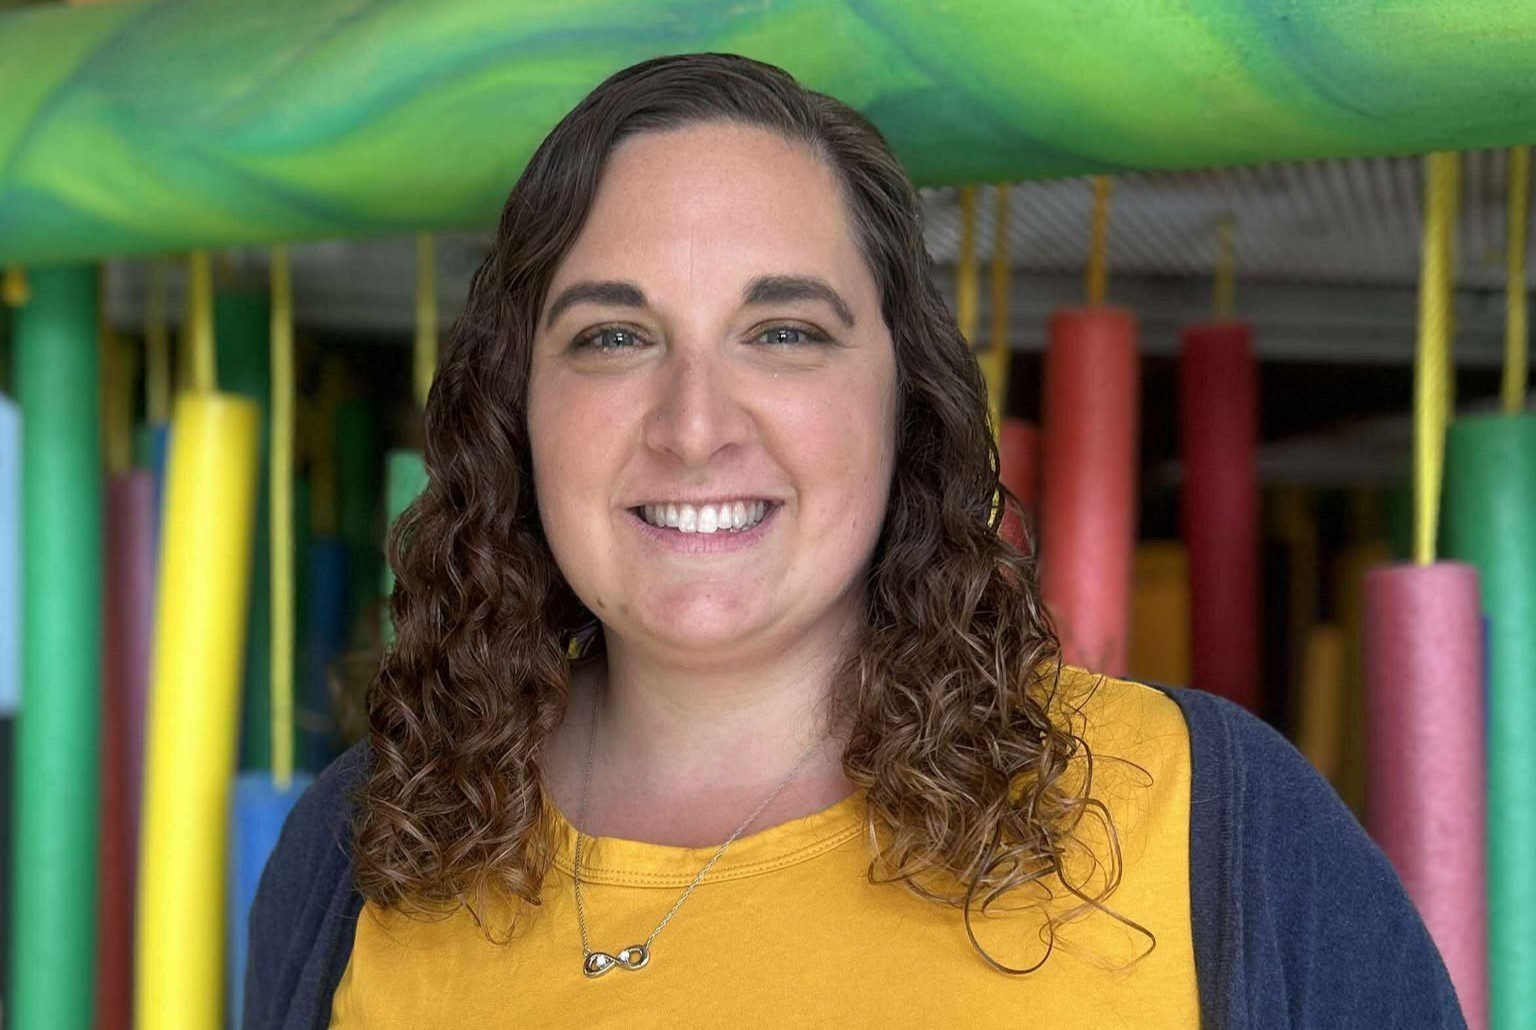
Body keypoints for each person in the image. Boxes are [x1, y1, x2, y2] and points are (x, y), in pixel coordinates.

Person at [245, 53, 1464, 1028]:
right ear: (516, 411)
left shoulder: (1205, 820)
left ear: (905, 399)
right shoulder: (364, 851)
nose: (694, 424)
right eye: (614, 336)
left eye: (783, 331)